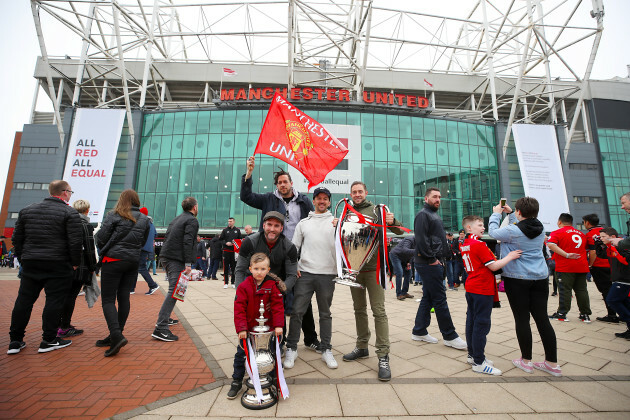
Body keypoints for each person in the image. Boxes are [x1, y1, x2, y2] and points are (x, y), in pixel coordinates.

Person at [240, 158, 320, 350]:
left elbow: (314, 222)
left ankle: (310, 338)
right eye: (279, 183)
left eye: (285, 181)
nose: (283, 185)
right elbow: (247, 197)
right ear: (276, 186)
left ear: (291, 183)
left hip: (296, 256)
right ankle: (279, 341)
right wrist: (249, 174)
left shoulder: (304, 201)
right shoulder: (268, 199)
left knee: (303, 298)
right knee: (275, 298)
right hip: (272, 256)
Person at [338, 181, 404, 382]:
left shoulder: (377, 210)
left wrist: (392, 221)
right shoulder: (345, 210)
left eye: (360, 191)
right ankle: (362, 346)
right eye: (354, 192)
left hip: (374, 270)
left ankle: (383, 356)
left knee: (379, 311)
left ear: (366, 192)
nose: (357, 194)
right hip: (354, 270)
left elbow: (399, 231)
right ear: (350, 193)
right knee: (358, 310)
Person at [8, 180, 82, 354]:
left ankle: (15, 341)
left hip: (31, 262)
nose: (71, 195)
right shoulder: (69, 213)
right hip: (58, 263)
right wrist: (74, 263)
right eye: (71, 192)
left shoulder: (27, 210)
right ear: (64, 192)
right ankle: (48, 339)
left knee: (24, 301)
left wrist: (23, 258)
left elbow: (17, 239)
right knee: (54, 301)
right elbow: (75, 242)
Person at [489, 197, 561, 377]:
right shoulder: (541, 227)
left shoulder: (512, 231)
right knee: (542, 319)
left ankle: (526, 361)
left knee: (522, 319)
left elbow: (493, 233)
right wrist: (512, 214)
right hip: (540, 277)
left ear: (520, 212)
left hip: (517, 278)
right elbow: (522, 226)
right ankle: (552, 363)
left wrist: (496, 214)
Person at [460, 215, 522, 376]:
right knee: (481, 324)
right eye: (479, 225)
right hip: (482, 288)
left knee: (472, 322)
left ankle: (473, 355)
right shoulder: (478, 244)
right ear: (469, 228)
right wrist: (509, 256)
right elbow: (494, 266)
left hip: (472, 286)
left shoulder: (465, 243)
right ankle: (479, 362)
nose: (483, 228)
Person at [284, 187, 338, 370]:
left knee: (325, 314)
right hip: (305, 273)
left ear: (329, 202)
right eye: (318, 198)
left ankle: (326, 349)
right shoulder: (303, 223)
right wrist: (295, 267)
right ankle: (291, 348)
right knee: (297, 312)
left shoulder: (336, 222)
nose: (322, 201)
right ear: (313, 201)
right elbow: (293, 248)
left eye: (325, 199)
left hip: (327, 274)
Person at [95, 189, 150, 357]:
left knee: (108, 300)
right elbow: (143, 239)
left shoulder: (114, 215)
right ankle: (115, 334)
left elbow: (101, 237)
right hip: (132, 261)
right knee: (124, 297)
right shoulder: (144, 219)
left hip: (113, 260)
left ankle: (117, 335)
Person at [412, 187, 467, 351]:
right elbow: (421, 239)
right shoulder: (423, 215)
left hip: (434, 261)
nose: (438, 199)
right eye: (434, 196)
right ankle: (450, 336)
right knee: (440, 299)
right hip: (428, 262)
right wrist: (432, 259)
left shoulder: (433, 214)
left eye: (439, 197)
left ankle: (419, 330)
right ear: (426, 198)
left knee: (428, 298)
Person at [227, 253, 284, 400]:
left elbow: (278, 307)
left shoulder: (272, 286)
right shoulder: (244, 287)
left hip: (267, 331)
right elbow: (239, 308)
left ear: (268, 270)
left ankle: (274, 379)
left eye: (263, 269)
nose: (259, 272)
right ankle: (237, 380)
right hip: (249, 330)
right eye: (256, 268)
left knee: (272, 354)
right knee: (241, 355)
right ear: (250, 268)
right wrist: (241, 328)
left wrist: (278, 326)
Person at [152, 197, 200, 342]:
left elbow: (168, 238)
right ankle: (161, 327)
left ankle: (166, 318)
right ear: (195, 207)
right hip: (176, 259)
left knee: (175, 288)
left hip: (166, 256)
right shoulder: (192, 220)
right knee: (174, 290)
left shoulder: (177, 219)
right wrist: (188, 263)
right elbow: (188, 241)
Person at [57, 199, 97, 339]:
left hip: (63, 265)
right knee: (71, 297)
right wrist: (93, 267)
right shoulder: (85, 225)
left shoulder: (66, 223)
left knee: (62, 296)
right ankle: (64, 326)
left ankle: (59, 324)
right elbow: (90, 250)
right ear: (87, 210)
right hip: (80, 267)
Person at [547, 213, 591, 323]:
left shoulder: (557, 232)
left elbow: (551, 244)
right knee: (582, 290)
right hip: (581, 265)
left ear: (559, 222)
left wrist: (566, 254)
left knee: (565, 290)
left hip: (565, 266)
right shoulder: (581, 233)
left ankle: (562, 313)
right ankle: (585, 314)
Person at [595, 227, 630, 339]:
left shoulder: (622, 246)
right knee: (625, 303)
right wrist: (598, 243)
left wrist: (615, 250)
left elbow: (626, 260)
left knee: (612, 300)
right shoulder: (611, 247)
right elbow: (602, 255)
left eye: (603, 236)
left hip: (624, 280)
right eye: (600, 237)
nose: (601, 238)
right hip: (618, 279)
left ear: (613, 237)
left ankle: (627, 319)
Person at [583, 214, 618, 323]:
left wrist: (590, 265)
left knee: (605, 290)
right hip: (613, 264)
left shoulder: (591, 234)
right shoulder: (606, 231)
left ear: (587, 222)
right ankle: (621, 313)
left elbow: (593, 251)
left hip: (600, 266)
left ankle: (612, 314)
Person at [134, 207, 160, 295]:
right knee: (136, 267)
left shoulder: (142, 222)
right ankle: (131, 288)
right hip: (147, 248)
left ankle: (153, 285)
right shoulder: (151, 223)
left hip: (141, 247)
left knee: (141, 268)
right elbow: (156, 234)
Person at [390, 236, 415, 300]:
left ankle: (404, 292)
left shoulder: (419, 243)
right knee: (399, 272)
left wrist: (408, 262)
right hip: (395, 255)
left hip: (404, 258)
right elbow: (405, 250)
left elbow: (412, 254)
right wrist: (417, 250)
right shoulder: (409, 239)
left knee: (409, 273)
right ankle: (399, 294)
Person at [219, 218, 242, 288]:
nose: (229, 222)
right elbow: (220, 240)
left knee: (234, 267)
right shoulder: (225, 230)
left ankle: (233, 282)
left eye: (231, 221)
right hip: (226, 251)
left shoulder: (237, 230)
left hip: (234, 252)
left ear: (234, 222)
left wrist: (234, 243)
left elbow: (240, 240)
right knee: (226, 267)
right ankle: (225, 283)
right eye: (228, 221)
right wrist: (226, 243)